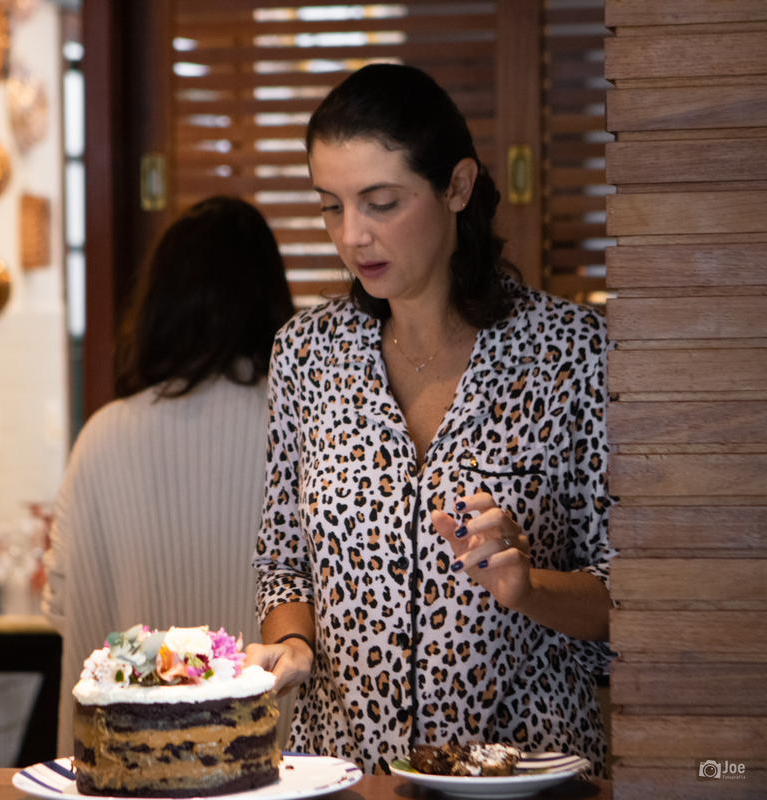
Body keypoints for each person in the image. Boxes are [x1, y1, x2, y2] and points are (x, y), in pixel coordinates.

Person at [246, 64, 615, 777]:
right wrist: (293, 643)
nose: (352, 236)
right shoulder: (307, 354)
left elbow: (622, 594)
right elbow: (283, 563)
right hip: (344, 774)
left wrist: (529, 586)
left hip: (524, 775)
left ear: (457, 186)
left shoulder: (570, 352)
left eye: (381, 203)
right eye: (330, 207)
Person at [42, 196, 296, 755]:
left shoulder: (100, 438)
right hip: (270, 765)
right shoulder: (301, 432)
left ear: (158, 307)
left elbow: (60, 605)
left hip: (126, 767)